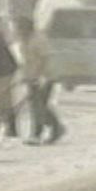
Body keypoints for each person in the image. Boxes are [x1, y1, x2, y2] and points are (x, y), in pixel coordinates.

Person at [15, 16, 66, 145]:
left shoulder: (38, 39)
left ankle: (37, 134)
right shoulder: (24, 41)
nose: (17, 30)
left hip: (46, 77)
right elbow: (27, 61)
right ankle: (57, 128)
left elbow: (46, 59)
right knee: (39, 106)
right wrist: (25, 75)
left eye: (19, 28)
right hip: (32, 77)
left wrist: (42, 76)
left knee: (38, 106)